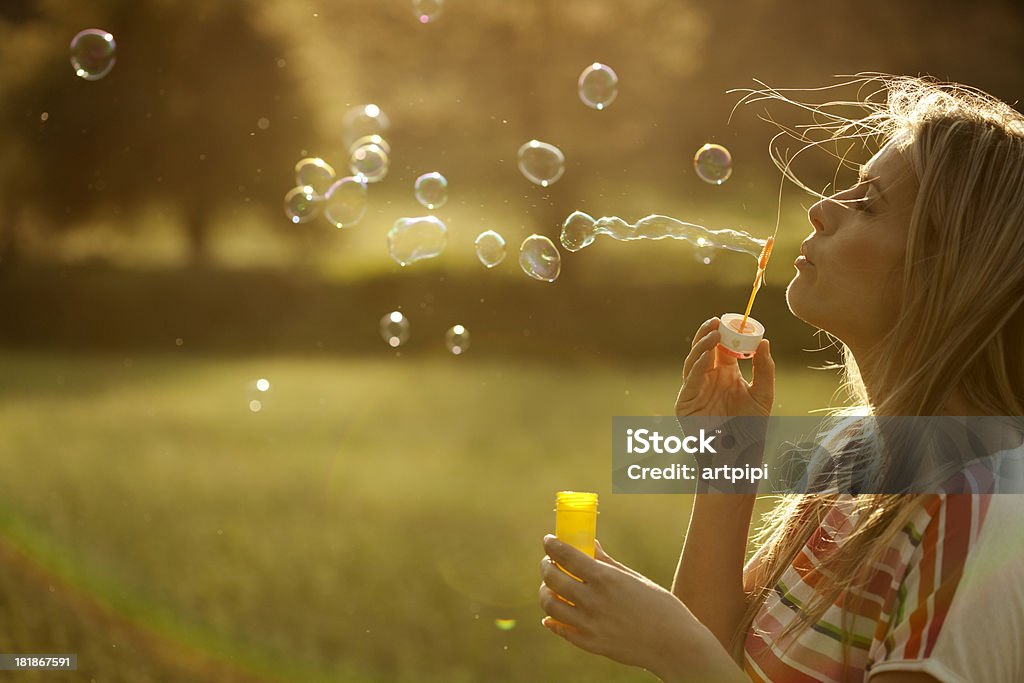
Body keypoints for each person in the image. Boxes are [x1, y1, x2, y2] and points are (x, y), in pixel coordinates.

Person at [538, 75, 1024, 682]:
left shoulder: (986, 515)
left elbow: (702, 662)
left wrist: (672, 647)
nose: (821, 209)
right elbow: (728, 651)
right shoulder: (854, 455)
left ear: (946, 268)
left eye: (868, 204)